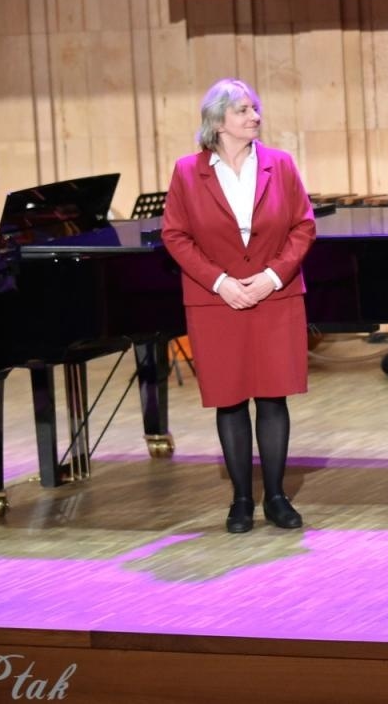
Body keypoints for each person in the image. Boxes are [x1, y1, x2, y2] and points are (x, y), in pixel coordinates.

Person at [161, 79, 316, 533]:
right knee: (229, 400)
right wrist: (220, 282)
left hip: (275, 296)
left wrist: (270, 277)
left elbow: (303, 227)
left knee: (272, 396)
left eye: (255, 109)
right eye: (245, 110)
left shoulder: (280, 165)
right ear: (219, 120)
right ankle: (241, 500)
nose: (255, 117)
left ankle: (276, 496)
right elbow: (175, 235)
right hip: (217, 301)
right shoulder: (188, 172)